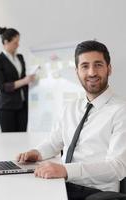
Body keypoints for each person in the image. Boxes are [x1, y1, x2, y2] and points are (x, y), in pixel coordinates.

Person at [17, 40, 126, 200]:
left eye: (98, 65)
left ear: (109, 69)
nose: (91, 72)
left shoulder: (121, 111)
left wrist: (66, 170)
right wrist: (37, 152)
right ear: (77, 72)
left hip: (95, 192)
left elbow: (118, 167)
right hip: (62, 184)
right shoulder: (71, 107)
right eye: (85, 66)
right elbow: (54, 142)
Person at [0, 27, 35, 132]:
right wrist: (24, 81)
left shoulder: (20, 57)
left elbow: (23, 77)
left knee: (22, 139)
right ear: (6, 42)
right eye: (15, 43)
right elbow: (2, 86)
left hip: (22, 105)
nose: (18, 45)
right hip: (7, 107)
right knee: (9, 142)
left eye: (18, 42)